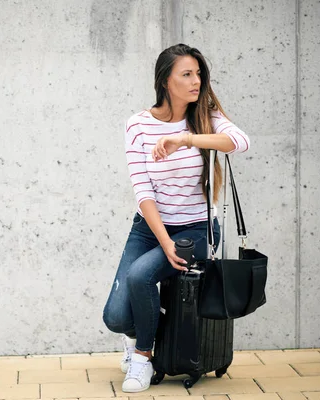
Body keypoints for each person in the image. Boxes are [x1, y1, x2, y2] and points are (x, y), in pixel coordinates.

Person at [102, 43, 250, 393]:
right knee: (116, 318)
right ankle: (136, 336)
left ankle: (142, 357)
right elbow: (144, 193)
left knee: (140, 276)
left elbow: (240, 142)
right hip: (149, 229)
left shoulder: (205, 116)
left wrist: (185, 139)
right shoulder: (137, 125)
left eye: (198, 73)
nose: (196, 80)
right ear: (166, 81)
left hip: (196, 230)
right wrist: (164, 241)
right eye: (186, 74)